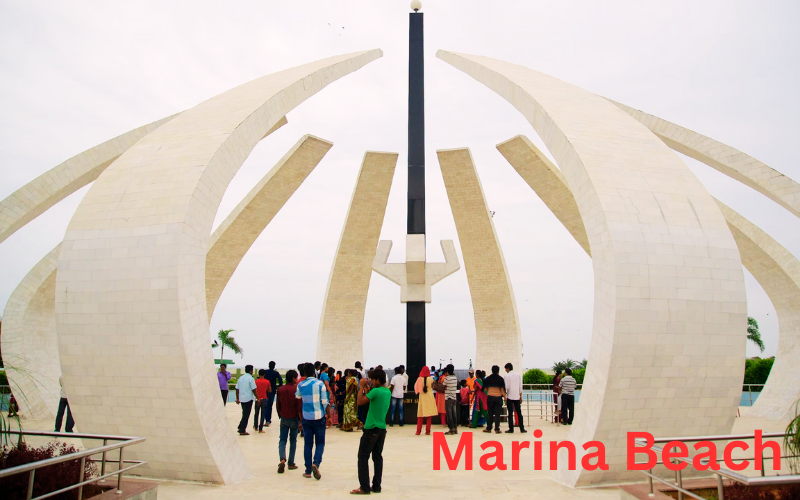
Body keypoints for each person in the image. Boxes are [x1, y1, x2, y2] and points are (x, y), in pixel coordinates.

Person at [351, 368, 391, 495]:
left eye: (373, 379)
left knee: (363, 457)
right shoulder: (386, 391)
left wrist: (361, 386)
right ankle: (377, 485)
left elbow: (360, 402)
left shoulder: (376, 392)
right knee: (377, 457)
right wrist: (368, 389)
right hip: (381, 428)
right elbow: (373, 400)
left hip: (371, 428)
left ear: (378, 380)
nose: (371, 381)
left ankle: (364, 487)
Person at [296, 363, 330, 479]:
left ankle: (308, 470)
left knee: (308, 444)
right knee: (320, 443)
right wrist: (329, 416)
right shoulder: (320, 384)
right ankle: (316, 463)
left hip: (306, 418)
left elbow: (298, 397)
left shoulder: (301, 385)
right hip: (319, 417)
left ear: (304, 373)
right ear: (315, 372)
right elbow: (325, 402)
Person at [276, 369, 302, 473]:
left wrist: (280, 414)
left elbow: (278, 404)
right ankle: (291, 463)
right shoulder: (296, 390)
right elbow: (299, 406)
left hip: (284, 417)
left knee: (282, 440)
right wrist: (301, 420)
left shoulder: (281, 389)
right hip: (294, 418)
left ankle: (282, 459)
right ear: (293, 378)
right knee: (293, 441)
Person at [235, 365, 259, 435]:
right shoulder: (250, 379)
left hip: (242, 398)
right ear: (251, 371)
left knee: (244, 413)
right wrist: (257, 397)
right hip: (248, 399)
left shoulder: (241, 378)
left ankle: (240, 426)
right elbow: (254, 389)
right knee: (246, 414)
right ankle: (242, 430)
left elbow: (237, 388)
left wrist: (237, 398)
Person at [482, 365, 506, 434]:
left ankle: (489, 428)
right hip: (498, 397)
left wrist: (489, 392)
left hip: (490, 397)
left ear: (492, 370)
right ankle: (497, 429)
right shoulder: (500, 379)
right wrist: (505, 398)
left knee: (490, 413)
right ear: (498, 371)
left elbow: (485, 389)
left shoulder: (488, 378)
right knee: (497, 414)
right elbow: (502, 390)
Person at [414, 366, 437, 435]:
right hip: (429, 397)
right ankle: (428, 431)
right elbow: (433, 387)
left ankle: (418, 431)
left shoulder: (419, 379)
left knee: (420, 415)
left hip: (422, 397)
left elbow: (416, 389)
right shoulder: (431, 379)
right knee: (429, 416)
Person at [504, 363, 526, 433]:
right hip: (517, 396)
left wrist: (505, 397)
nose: (505, 370)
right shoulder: (518, 375)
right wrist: (521, 396)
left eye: (506, 369)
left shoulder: (506, 376)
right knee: (519, 413)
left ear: (508, 368)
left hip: (510, 396)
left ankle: (511, 429)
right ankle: (522, 428)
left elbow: (506, 387)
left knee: (510, 413)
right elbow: (520, 387)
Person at [263, 361, 283, 426]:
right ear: (274, 366)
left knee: (266, 404)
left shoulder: (265, 372)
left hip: (266, 390)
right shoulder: (275, 373)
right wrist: (279, 387)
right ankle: (268, 419)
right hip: (273, 390)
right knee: (270, 404)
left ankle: (267, 419)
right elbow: (280, 380)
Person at [443, 364, 459, 435]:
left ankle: (451, 429)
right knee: (454, 414)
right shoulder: (455, 378)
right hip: (454, 398)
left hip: (448, 398)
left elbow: (443, 386)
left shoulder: (447, 378)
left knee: (449, 415)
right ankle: (455, 429)